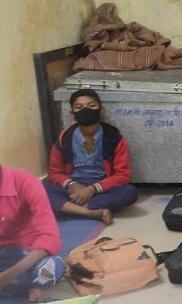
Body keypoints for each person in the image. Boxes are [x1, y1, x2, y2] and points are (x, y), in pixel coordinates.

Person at [44, 88, 139, 224]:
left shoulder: (114, 138)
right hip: (73, 189)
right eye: (79, 107)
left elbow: (123, 175)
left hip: (102, 188)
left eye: (91, 105)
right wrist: (71, 185)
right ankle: (91, 211)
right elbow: (54, 172)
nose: (86, 110)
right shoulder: (64, 139)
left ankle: (72, 208)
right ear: (72, 114)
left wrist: (92, 189)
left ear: (101, 110)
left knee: (130, 192)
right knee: (39, 188)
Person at [0, 145, 64, 304]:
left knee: (52, 265)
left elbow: (50, 237)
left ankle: (14, 284)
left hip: (24, 253)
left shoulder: (25, 181)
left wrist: (4, 278)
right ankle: (24, 286)